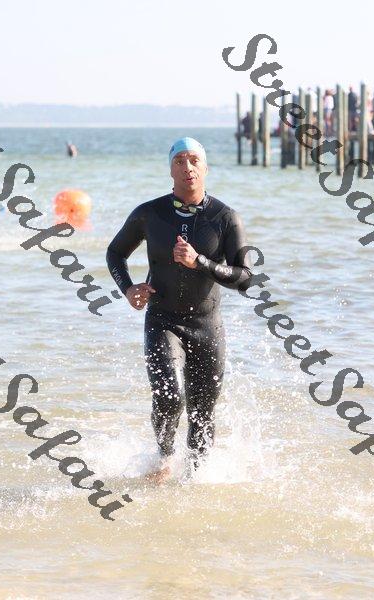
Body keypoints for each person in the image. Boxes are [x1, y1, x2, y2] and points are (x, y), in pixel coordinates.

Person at [106, 137, 253, 484]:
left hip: (207, 325)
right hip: (162, 320)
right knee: (169, 396)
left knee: (202, 414)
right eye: (179, 161)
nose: (187, 167)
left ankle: (194, 482)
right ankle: (164, 458)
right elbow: (115, 253)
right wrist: (128, 288)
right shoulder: (149, 214)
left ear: (206, 167)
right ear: (170, 170)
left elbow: (245, 278)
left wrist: (199, 261)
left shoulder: (225, 218)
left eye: (194, 160)